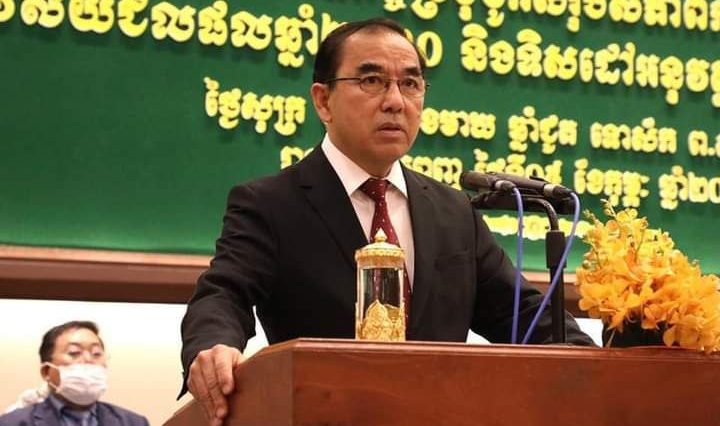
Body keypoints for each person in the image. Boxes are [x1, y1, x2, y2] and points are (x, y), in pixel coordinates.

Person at [180, 17, 596, 426]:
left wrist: (593, 362)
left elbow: (523, 313)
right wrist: (213, 345)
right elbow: (224, 294)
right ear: (323, 101)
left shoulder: (453, 212)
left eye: (411, 83)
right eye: (372, 81)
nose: (395, 101)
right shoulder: (271, 204)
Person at [0, 321, 149, 426]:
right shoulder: (12, 423)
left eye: (96, 353)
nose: (88, 359)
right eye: (74, 352)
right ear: (46, 372)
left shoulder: (134, 422)